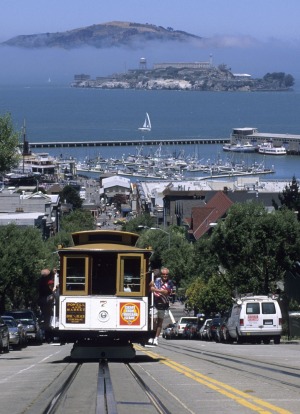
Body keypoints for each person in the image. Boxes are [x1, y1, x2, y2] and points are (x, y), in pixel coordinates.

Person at [148, 267, 173, 346]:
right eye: (164, 274)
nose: (165, 276)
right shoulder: (157, 280)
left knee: (160, 322)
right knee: (153, 320)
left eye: (166, 274)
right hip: (155, 304)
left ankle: (156, 338)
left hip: (163, 305)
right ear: (161, 275)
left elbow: (166, 292)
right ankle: (151, 336)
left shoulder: (170, 283)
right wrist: (150, 284)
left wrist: (155, 289)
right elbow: (150, 287)